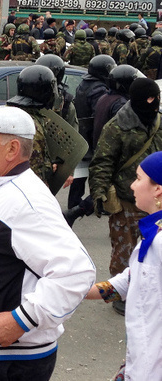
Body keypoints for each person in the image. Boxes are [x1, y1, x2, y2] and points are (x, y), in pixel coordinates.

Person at [0, 105, 96, 381]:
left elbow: (76, 272)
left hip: (12, 362)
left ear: (12, 149)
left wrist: (22, 320)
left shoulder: (26, 202)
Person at [86, 151, 162, 380]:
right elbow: (134, 278)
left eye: (138, 179)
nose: (132, 186)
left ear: (157, 189)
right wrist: (77, 290)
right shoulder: (152, 232)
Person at [89, 78, 162, 315]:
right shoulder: (117, 126)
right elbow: (102, 162)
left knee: (151, 249)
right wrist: (100, 195)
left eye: (156, 98)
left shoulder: (159, 121)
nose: (153, 103)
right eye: (149, 99)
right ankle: (123, 296)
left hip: (157, 198)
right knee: (124, 247)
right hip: (125, 198)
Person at [63, 55, 116, 226]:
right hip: (93, 135)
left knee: (82, 173)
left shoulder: (85, 83)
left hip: (84, 133)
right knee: (96, 172)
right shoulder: (98, 89)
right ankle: (91, 204)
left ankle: (77, 203)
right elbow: (100, 113)